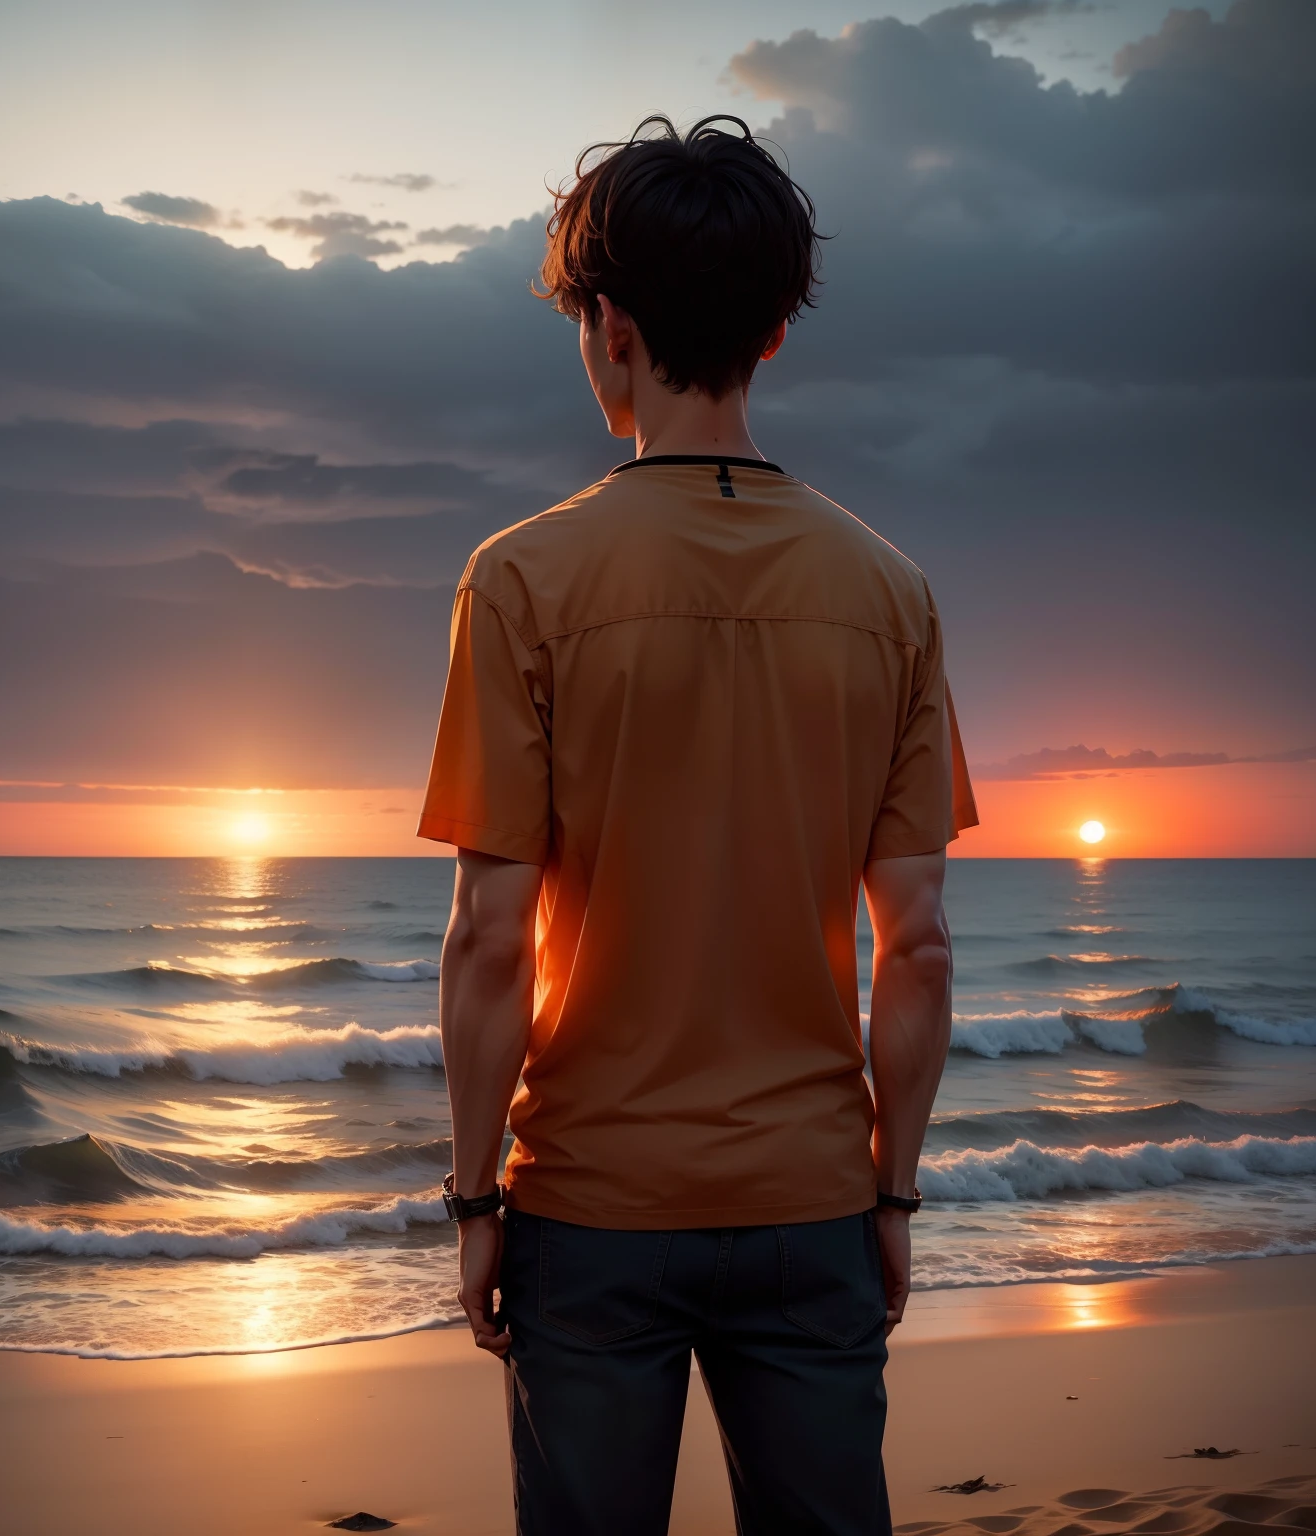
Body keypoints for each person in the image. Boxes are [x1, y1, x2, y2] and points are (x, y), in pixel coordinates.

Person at [417, 114, 978, 1536]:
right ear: (776, 333)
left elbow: (491, 937)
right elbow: (914, 946)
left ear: (607, 328)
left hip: (590, 1212)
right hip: (811, 1209)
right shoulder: (890, 592)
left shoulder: (523, 581)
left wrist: (476, 1201)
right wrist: (893, 1198)